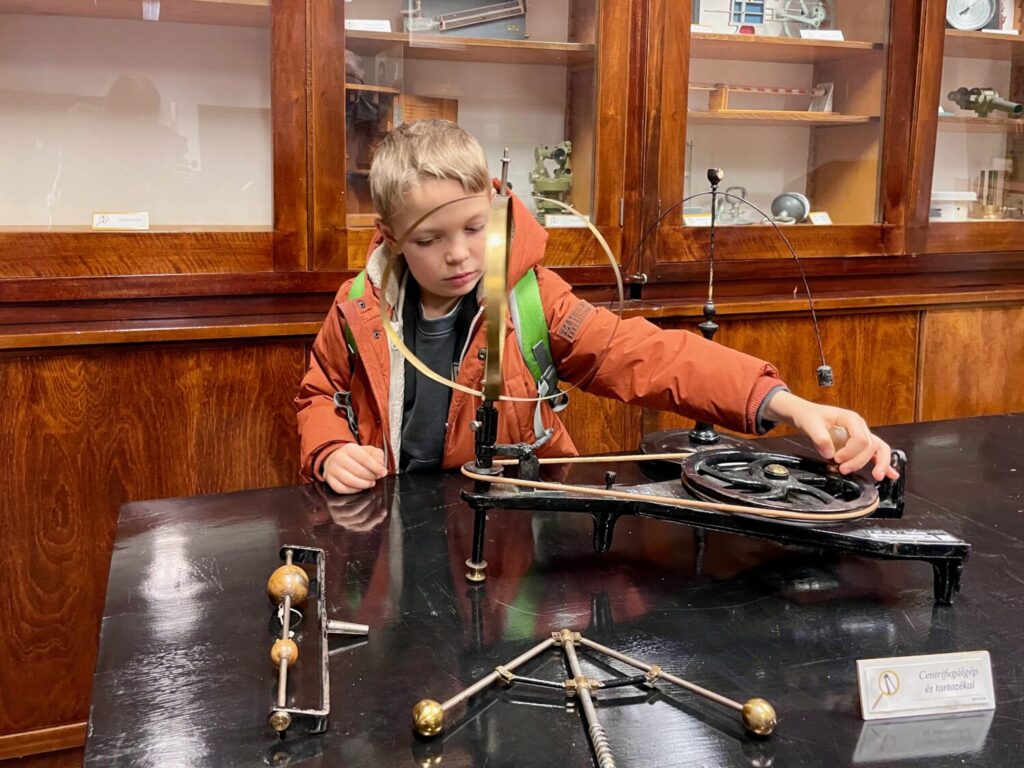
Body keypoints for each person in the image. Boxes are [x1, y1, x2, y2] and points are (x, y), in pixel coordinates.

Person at [296, 120, 899, 495]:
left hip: (517, 526)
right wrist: (330, 453)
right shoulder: (357, 309)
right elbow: (319, 395)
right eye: (430, 240)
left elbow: (647, 356)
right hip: (390, 530)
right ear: (391, 235)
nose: (459, 255)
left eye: (475, 227)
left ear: (497, 205)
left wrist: (787, 404)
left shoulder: (535, 300)